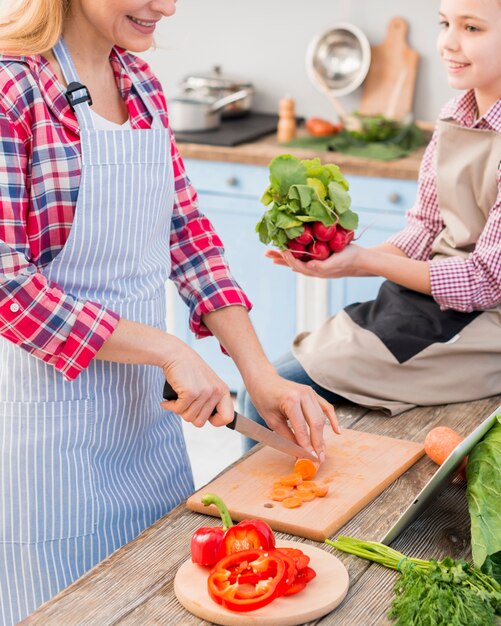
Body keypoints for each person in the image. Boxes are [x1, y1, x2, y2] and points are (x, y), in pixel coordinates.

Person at [0, 1, 339, 623]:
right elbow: (7, 287)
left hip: (147, 433)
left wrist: (260, 376)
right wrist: (167, 350)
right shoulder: (11, 89)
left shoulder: (143, 85)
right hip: (46, 448)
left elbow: (189, 237)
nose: (167, 6)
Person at [239, 0, 501, 447]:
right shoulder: (455, 114)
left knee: (274, 397)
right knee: (267, 393)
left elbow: (487, 282)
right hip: (434, 302)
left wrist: (366, 263)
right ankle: (277, 510)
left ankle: (278, 512)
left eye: (472, 28)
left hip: (483, 324)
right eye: (444, 24)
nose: (447, 43)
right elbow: (423, 229)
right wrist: (344, 260)